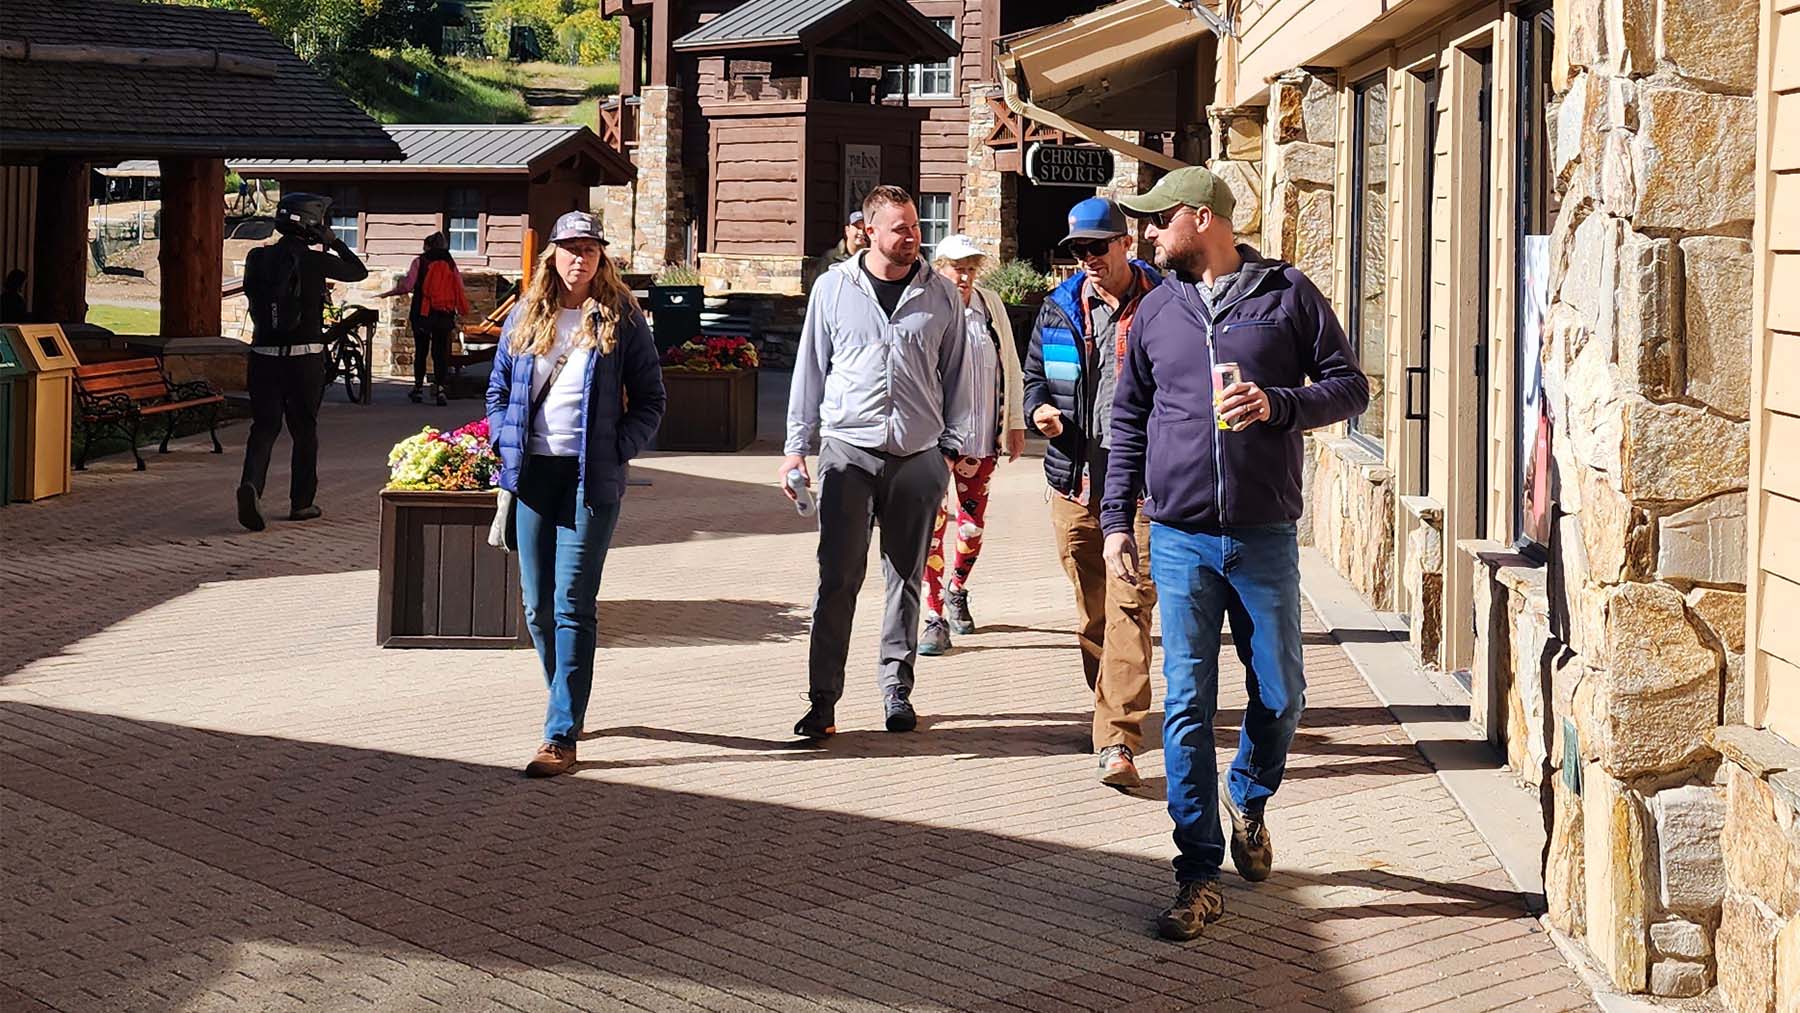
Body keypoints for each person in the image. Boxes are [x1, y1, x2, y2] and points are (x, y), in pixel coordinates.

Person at [1101, 167, 1368, 940]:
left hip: (1263, 535)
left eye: (1159, 221)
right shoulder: (1157, 311)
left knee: (1282, 694)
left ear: (1200, 217)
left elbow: (1351, 386)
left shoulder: (1287, 294)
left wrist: (1279, 404)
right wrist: (1116, 519)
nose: (1149, 235)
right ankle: (1196, 873)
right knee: (1187, 704)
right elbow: (1129, 419)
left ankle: (1247, 789)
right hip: (1179, 538)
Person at [781, 185, 973, 740]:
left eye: (916, 227)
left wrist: (950, 448)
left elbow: (959, 375)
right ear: (869, 231)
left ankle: (896, 691)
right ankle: (823, 702)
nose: (913, 237)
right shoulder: (833, 288)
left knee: (905, 580)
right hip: (848, 452)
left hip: (917, 456)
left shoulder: (941, 294)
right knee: (837, 580)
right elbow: (810, 370)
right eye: (900, 228)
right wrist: (796, 448)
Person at [486, 210, 666, 777]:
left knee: (572, 603)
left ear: (600, 257)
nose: (579, 258)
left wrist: (618, 448)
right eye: (570, 248)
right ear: (553, 255)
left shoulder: (621, 318)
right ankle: (564, 699)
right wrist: (503, 437)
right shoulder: (526, 315)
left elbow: (652, 399)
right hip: (533, 475)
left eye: (589, 249)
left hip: (591, 479)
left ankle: (560, 733)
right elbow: (497, 392)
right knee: (537, 606)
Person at [1020, 197, 1163, 788]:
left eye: (1098, 247)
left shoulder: (1165, 302)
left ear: (1125, 242)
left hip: (1143, 488)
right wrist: (1038, 411)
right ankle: (1108, 708)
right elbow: (1033, 378)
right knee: (1094, 614)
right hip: (1075, 483)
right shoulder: (1058, 308)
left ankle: (1117, 739)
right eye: (1079, 249)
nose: (1088, 258)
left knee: (1130, 607)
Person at [918, 234, 1025, 657]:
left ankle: (957, 588)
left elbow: (1010, 364)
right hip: (933, 439)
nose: (963, 277)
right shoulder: (926, 304)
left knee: (971, 524)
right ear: (939, 268)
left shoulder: (989, 305)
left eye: (970, 269)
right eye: (956, 268)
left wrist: (1014, 421)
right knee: (932, 525)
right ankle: (933, 615)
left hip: (981, 434)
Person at [236, 193, 368, 532]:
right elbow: (359, 272)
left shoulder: (256, 258)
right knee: (304, 431)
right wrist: (333, 242)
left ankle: (251, 485)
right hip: (304, 358)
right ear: (312, 225)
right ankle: (302, 503)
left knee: (264, 427)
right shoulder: (315, 261)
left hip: (263, 357)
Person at [381, 233, 470, 406]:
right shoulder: (450, 263)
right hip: (444, 312)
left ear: (427, 246)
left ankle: (418, 388)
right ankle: (441, 389)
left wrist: (390, 292)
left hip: (423, 313)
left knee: (421, 351)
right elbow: (459, 286)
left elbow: (408, 285)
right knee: (440, 352)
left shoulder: (420, 262)